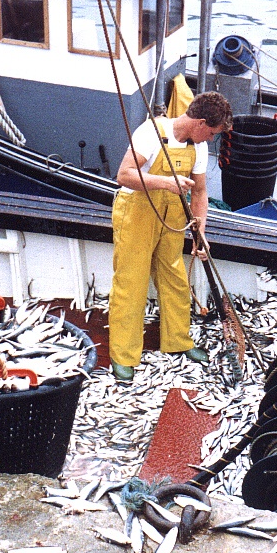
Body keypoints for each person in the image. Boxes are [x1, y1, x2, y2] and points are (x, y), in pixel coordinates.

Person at [108, 91, 233, 381]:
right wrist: (166, 182)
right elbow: (124, 175)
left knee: (175, 277)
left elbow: (200, 192)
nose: (211, 140)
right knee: (132, 283)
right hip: (137, 211)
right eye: (212, 133)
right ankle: (123, 356)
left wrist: (200, 231)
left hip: (173, 216)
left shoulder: (197, 146)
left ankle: (177, 342)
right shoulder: (151, 133)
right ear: (200, 123)